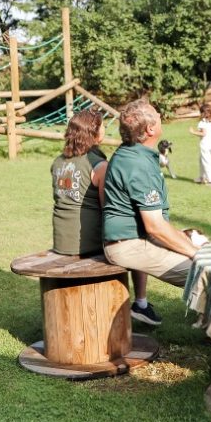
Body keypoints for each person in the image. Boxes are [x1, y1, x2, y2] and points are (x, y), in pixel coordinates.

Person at [102, 99, 206, 325]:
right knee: (209, 272)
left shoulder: (134, 153)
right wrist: (195, 253)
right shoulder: (137, 164)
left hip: (135, 239)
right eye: (157, 114)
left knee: (206, 249)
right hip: (128, 245)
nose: (160, 116)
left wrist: (187, 240)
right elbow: (155, 227)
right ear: (150, 129)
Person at [49, 109, 152, 312]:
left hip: (61, 240)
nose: (105, 129)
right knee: (138, 237)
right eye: (103, 125)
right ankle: (141, 303)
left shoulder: (58, 162)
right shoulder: (99, 165)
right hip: (88, 243)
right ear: (94, 133)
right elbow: (109, 207)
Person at [190, 103, 211, 187]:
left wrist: (193, 132)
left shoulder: (202, 123)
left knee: (207, 162)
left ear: (203, 113)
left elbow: (203, 133)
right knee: (202, 160)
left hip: (205, 145)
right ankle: (202, 178)